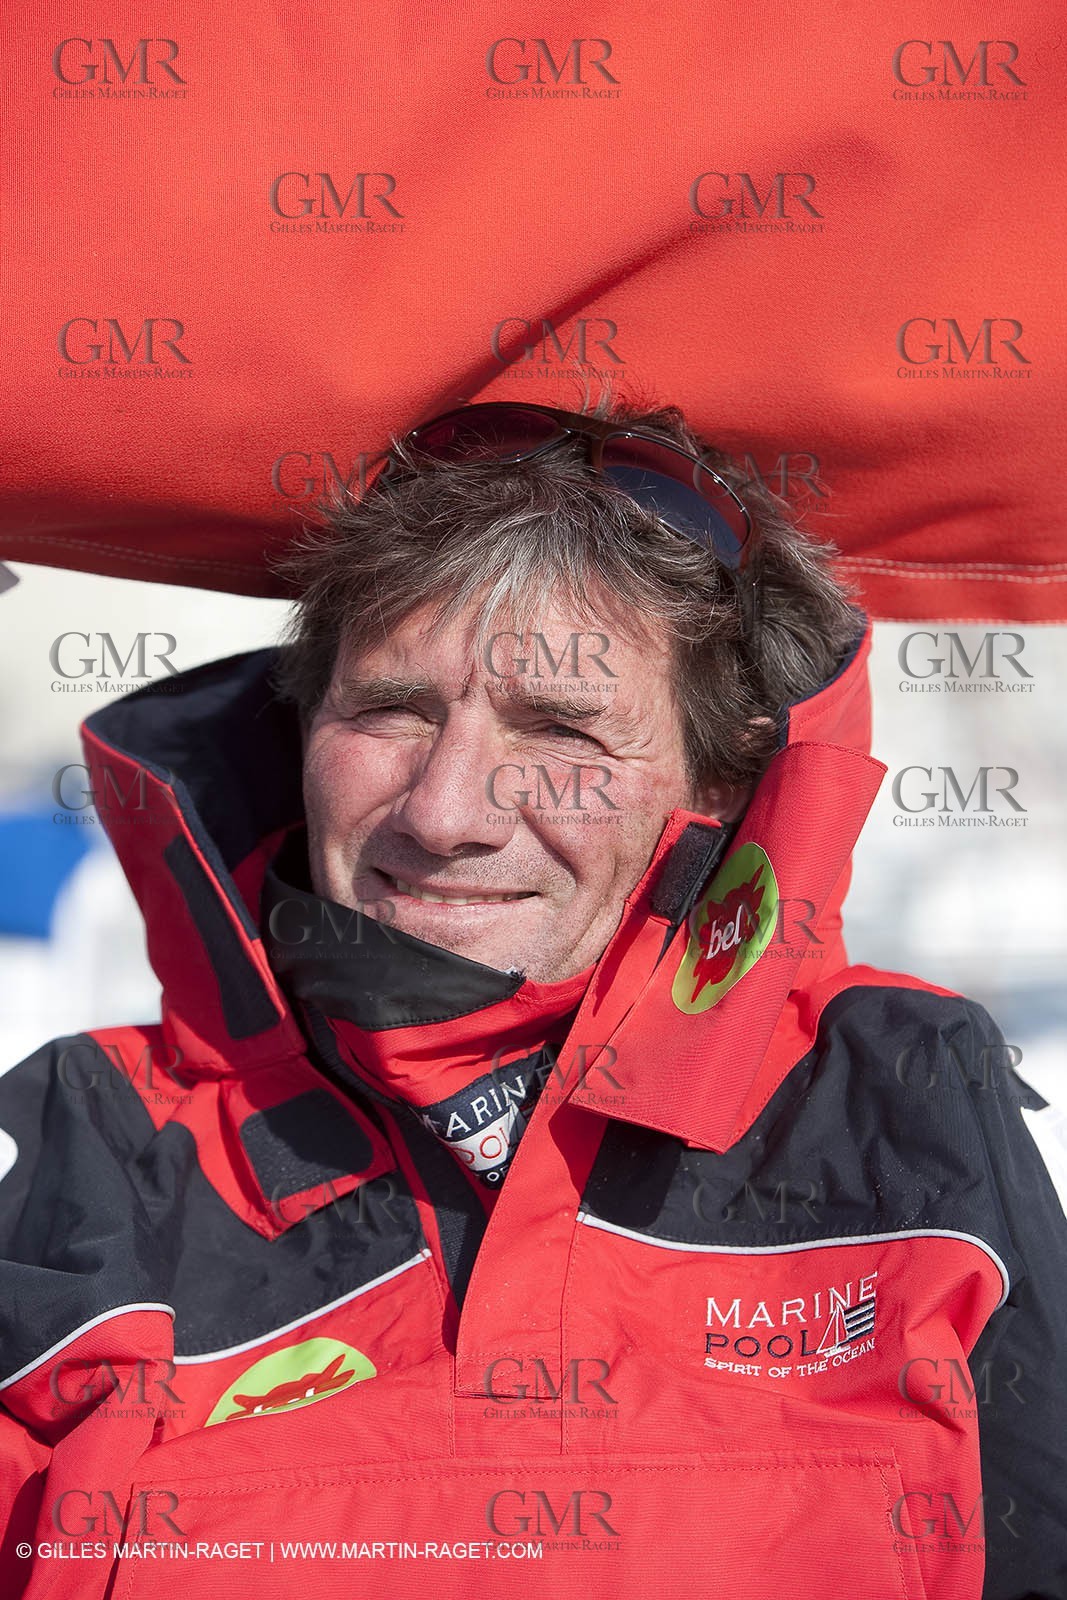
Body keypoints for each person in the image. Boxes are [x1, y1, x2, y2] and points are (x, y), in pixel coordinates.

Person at [0, 398, 1063, 1600]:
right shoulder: (98, 1137)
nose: (443, 812)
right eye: (389, 708)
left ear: (718, 781)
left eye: (558, 729)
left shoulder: (896, 1089)